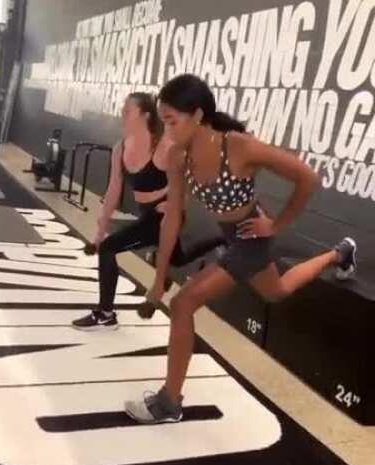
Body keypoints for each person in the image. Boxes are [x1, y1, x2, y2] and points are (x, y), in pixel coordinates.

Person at [125, 74, 357, 423]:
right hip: (232, 234)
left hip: (251, 234)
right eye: (164, 122)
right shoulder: (177, 156)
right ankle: (339, 253)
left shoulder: (238, 146)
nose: (168, 131)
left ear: (198, 115)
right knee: (276, 291)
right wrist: (158, 277)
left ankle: (169, 402)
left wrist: (275, 225)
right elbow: (172, 216)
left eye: (172, 121)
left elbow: (308, 178)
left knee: (184, 303)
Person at [72, 91, 224, 331]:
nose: (122, 114)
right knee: (178, 258)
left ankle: (105, 314)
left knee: (110, 249)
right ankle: (220, 239)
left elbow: (190, 174)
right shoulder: (119, 149)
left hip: (165, 215)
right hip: (146, 214)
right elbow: (113, 191)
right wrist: (99, 232)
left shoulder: (164, 145)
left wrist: (177, 203)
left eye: (127, 110)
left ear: (144, 115)